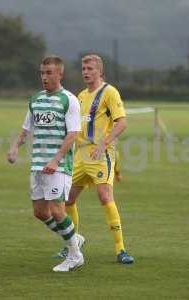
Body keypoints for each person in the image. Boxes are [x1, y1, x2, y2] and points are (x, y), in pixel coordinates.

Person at [7, 55, 84, 272]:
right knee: (40, 212)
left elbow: (73, 134)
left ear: (60, 74)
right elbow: (26, 129)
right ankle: (74, 238)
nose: (44, 77)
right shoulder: (36, 99)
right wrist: (14, 147)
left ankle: (75, 255)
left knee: (58, 210)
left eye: (49, 73)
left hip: (59, 165)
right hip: (38, 165)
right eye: (42, 73)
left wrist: (56, 159)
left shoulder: (69, 99)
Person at [61, 54, 134, 264]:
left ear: (100, 71)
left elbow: (122, 123)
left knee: (104, 195)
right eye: (83, 68)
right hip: (80, 154)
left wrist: (103, 143)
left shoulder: (109, 92)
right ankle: (73, 245)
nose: (86, 71)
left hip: (101, 153)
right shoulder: (81, 96)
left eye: (90, 68)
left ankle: (121, 250)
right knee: (67, 199)